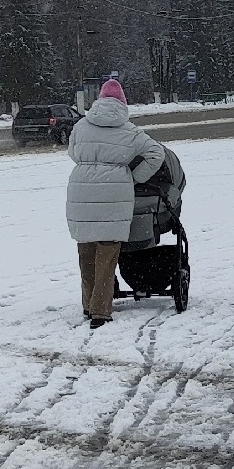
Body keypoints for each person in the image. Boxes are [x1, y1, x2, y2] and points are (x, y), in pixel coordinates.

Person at [65, 79, 165, 328]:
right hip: (114, 195)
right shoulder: (129, 130)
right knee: (107, 256)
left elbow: (72, 152)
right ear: (122, 103)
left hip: (81, 193)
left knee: (85, 254)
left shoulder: (81, 126)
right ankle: (100, 311)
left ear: (99, 100)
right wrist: (134, 176)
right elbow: (156, 153)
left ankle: (89, 305)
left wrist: (89, 163)